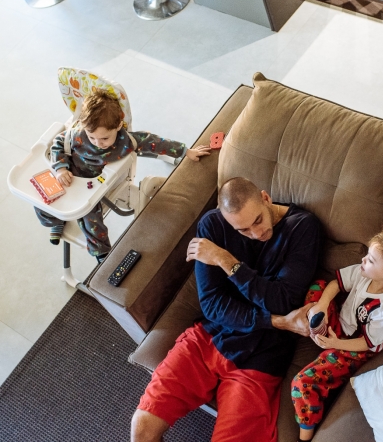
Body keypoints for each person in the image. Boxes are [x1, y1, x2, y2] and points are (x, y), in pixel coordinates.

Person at [131, 177, 323, 442]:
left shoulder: (302, 227)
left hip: (261, 355)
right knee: (142, 429)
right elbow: (211, 304)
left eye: (258, 220)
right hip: (210, 337)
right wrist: (277, 321)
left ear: (266, 198)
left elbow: (281, 299)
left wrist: (225, 260)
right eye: (242, 230)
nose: (256, 233)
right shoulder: (212, 225)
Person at [35, 88, 210, 262]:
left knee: (91, 220)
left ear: (118, 126)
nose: (98, 143)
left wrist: (186, 151)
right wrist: (61, 168)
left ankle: (102, 255)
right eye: (92, 137)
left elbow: (156, 142)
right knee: (40, 199)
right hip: (68, 177)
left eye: (104, 138)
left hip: (91, 187)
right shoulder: (78, 135)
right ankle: (55, 222)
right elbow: (58, 143)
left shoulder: (127, 141)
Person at [291, 226, 383, 442]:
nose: (363, 261)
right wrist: (323, 306)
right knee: (319, 286)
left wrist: (336, 343)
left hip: (358, 347)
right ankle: (318, 331)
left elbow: (366, 343)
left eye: (370, 260)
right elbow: (334, 283)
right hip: (341, 325)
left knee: (302, 383)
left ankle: (305, 436)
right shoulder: (363, 273)